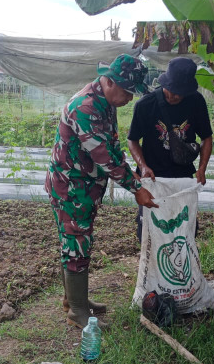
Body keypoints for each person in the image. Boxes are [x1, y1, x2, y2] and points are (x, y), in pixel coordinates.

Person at [45, 54, 158, 328]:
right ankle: (77, 312)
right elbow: (103, 156)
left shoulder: (105, 102)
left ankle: (75, 301)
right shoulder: (85, 108)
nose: (129, 99)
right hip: (71, 187)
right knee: (76, 242)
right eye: (127, 92)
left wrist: (132, 171)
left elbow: (112, 145)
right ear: (109, 81)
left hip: (84, 186)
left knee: (76, 241)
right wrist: (136, 188)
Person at [127, 57, 213, 239]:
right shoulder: (145, 105)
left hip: (183, 176)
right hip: (153, 177)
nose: (175, 96)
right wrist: (143, 165)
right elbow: (132, 140)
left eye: (180, 93)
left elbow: (206, 137)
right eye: (172, 90)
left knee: (184, 227)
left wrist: (202, 168)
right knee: (151, 228)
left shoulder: (196, 102)